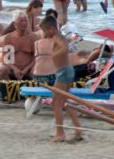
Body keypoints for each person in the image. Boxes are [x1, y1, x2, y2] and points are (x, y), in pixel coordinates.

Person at [31, 15, 83, 143]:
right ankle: (78, 129)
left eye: (45, 31)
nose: (44, 33)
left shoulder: (57, 37)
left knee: (56, 104)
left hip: (63, 72)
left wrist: (53, 54)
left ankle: (60, 133)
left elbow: (65, 49)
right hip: (65, 70)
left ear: (52, 29)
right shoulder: (59, 37)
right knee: (65, 101)